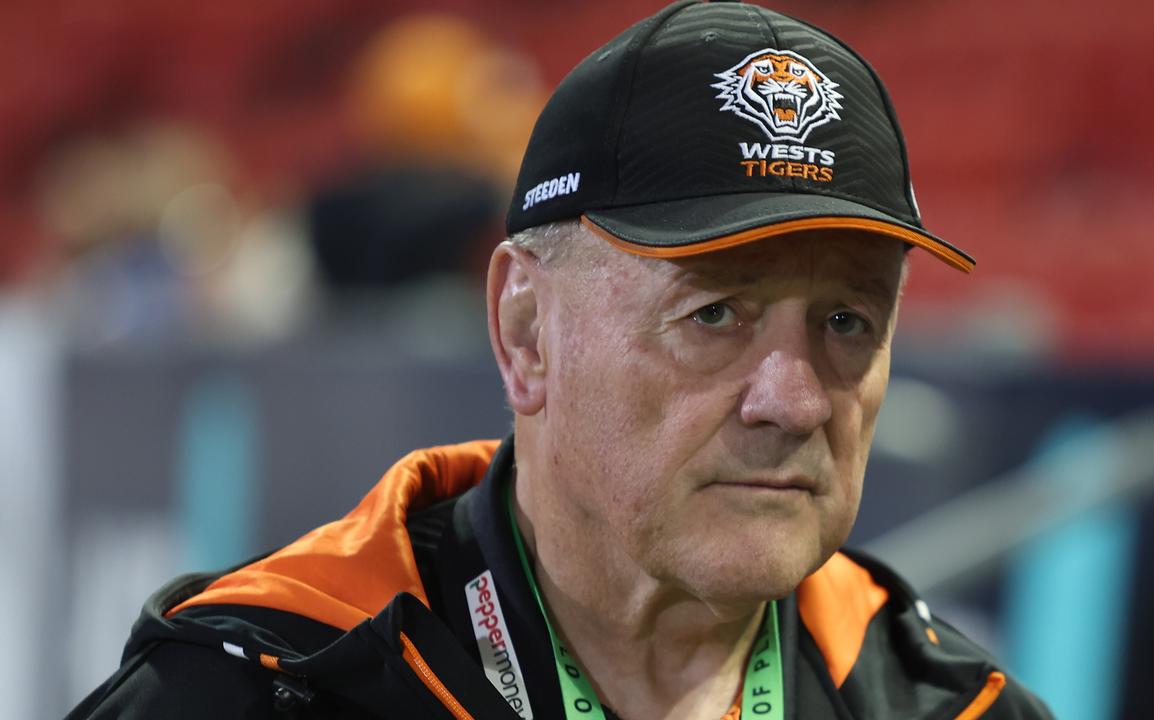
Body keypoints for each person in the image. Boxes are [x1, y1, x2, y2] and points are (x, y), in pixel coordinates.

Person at [70, 2, 1053, 718]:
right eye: (714, 313)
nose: (793, 399)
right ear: (524, 332)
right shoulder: (256, 687)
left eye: (845, 322)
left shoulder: (949, 708)